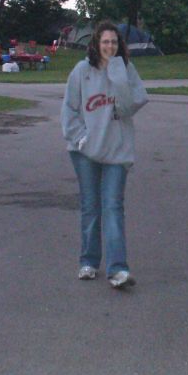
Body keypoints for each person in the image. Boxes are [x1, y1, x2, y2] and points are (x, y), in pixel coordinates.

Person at [61, 21, 149, 289]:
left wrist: (117, 76)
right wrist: (80, 138)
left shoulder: (126, 69)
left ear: (119, 45)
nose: (109, 46)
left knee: (113, 207)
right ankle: (88, 261)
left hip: (116, 151)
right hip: (85, 151)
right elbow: (69, 109)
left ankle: (118, 269)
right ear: (96, 44)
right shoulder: (82, 71)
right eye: (105, 42)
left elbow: (131, 105)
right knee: (91, 207)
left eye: (114, 42)